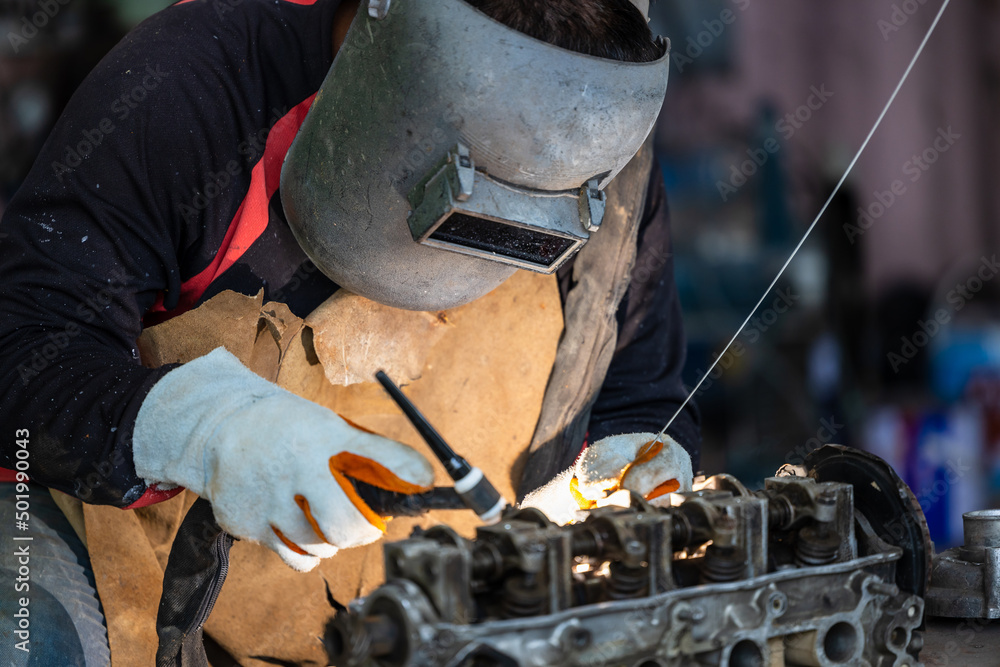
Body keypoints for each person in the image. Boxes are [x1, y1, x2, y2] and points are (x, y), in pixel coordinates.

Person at [0, 0, 700, 662]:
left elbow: (640, 396)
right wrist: (200, 430)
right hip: (112, 554)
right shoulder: (197, 82)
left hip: (435, 611)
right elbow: (21, 352)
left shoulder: (593, 149)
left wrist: (631, 470)